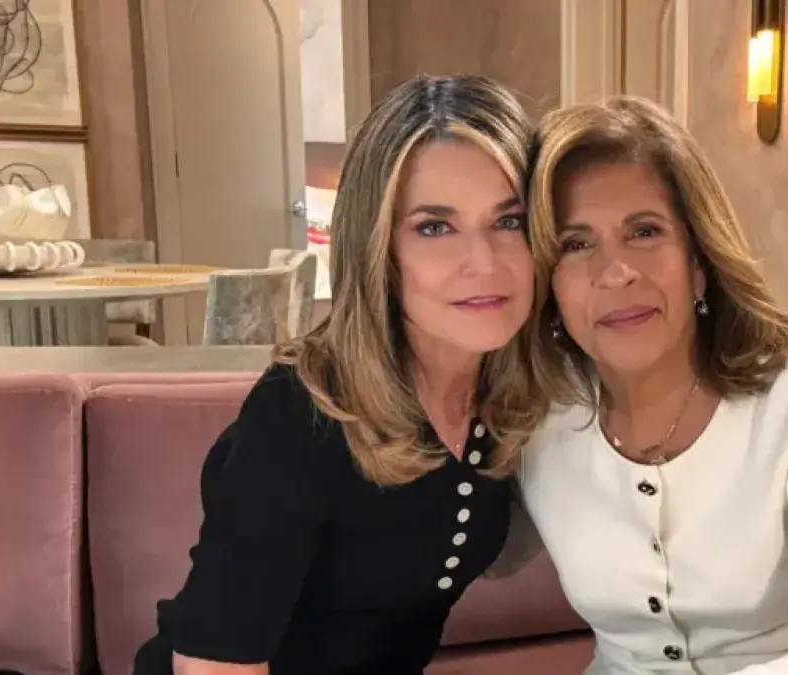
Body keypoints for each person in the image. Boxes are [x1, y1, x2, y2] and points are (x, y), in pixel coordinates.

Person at [132, 74, 547, 675]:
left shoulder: (514, 395)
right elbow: (215, 665)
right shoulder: (301, 413)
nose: (483, 263)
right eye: (434, 227)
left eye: (509, 221)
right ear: (377, 247)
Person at [512, 96, 788, 674]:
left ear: (698, 261)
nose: (617, 272)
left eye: (645, 232)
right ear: (548, 280)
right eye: (576, 244)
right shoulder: (535, 411)